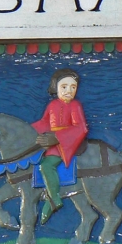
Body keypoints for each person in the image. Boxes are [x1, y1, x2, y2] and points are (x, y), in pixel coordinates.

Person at [32, 68, 88, 224]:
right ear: (55, 87)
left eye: (73, 87)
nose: (69, 91)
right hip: (51, 142)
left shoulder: (75, 106)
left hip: (65, 144)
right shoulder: (52, 105)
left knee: (46, 166)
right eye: (64, 87)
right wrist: (28, 131)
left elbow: (81, 128)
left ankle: (53, 200)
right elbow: (44, 122)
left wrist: (57, 137)